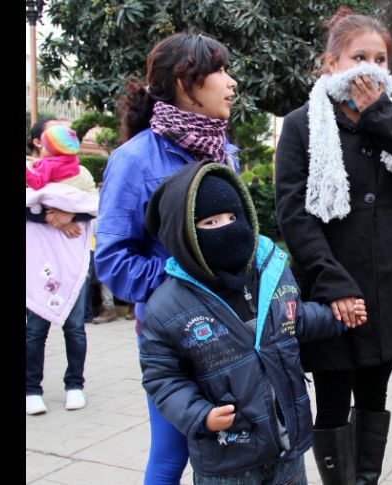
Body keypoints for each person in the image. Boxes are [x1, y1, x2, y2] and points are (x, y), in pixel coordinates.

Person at [274, 7, 392, 484]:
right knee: (331, 402)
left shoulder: (390, 119)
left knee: (374, 398)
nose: (370, 67)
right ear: (331, 63)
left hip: (385, 289)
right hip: (332, 287)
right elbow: (293, 214)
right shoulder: (303, 124)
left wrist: (381, 116)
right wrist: (333, 286)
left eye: (380, 58)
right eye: (358, 57)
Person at [140, 162, 367, 485]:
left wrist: (337, 317)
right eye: (211, 222)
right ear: (185, 234)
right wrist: (199, 415)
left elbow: (295, 318)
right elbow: (163, 378)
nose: (228, 228)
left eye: (233, 218)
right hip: (227, 459)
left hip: (288, 450)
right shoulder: (166, 307)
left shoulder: (270, 272)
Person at [93, 32, 240, 484]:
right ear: (184, 81)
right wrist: (183, 280)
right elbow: (113, 261)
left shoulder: (224, 151)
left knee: (237, 447)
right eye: (219, 71)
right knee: (171, 454)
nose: (232, 83)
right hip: (172, 339)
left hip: (232, 326)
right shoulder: (133, 160)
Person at [26, 118, 99, 415]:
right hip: (40, 261)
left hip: (72, 262)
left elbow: (93, 205)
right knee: (35, 330)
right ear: (39, 143)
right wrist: (47, 218)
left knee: (75, 328)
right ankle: (31, 389)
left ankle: (75, 385)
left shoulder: (80, 174)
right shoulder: (32, 172)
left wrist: (72, 217)